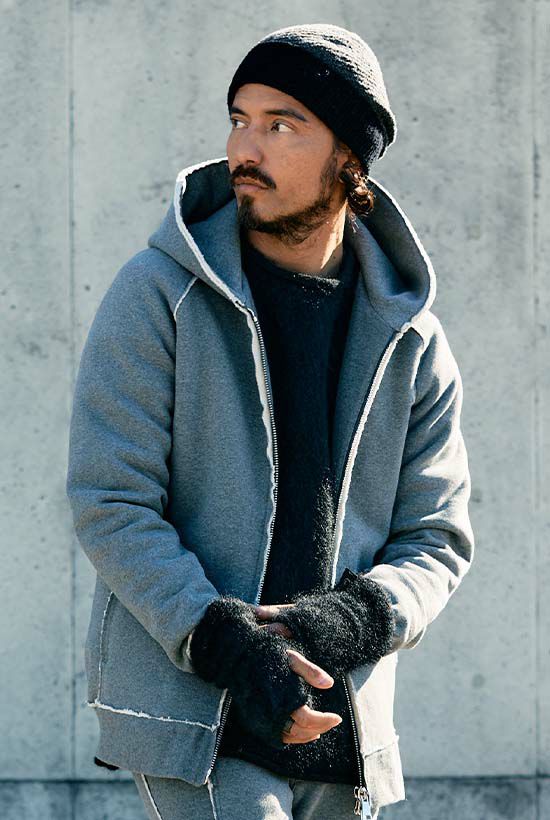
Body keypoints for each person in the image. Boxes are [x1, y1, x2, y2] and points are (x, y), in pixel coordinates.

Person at [66, 22, 475, 820]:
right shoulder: (158, 295)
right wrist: (224, 640)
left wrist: (353, 620)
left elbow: (438, 535)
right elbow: (110, 500)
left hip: (341, 715)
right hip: (200, 705)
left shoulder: (410, 336)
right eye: (239, 118)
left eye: (282, 124)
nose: (244, 148)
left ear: (349, 159)